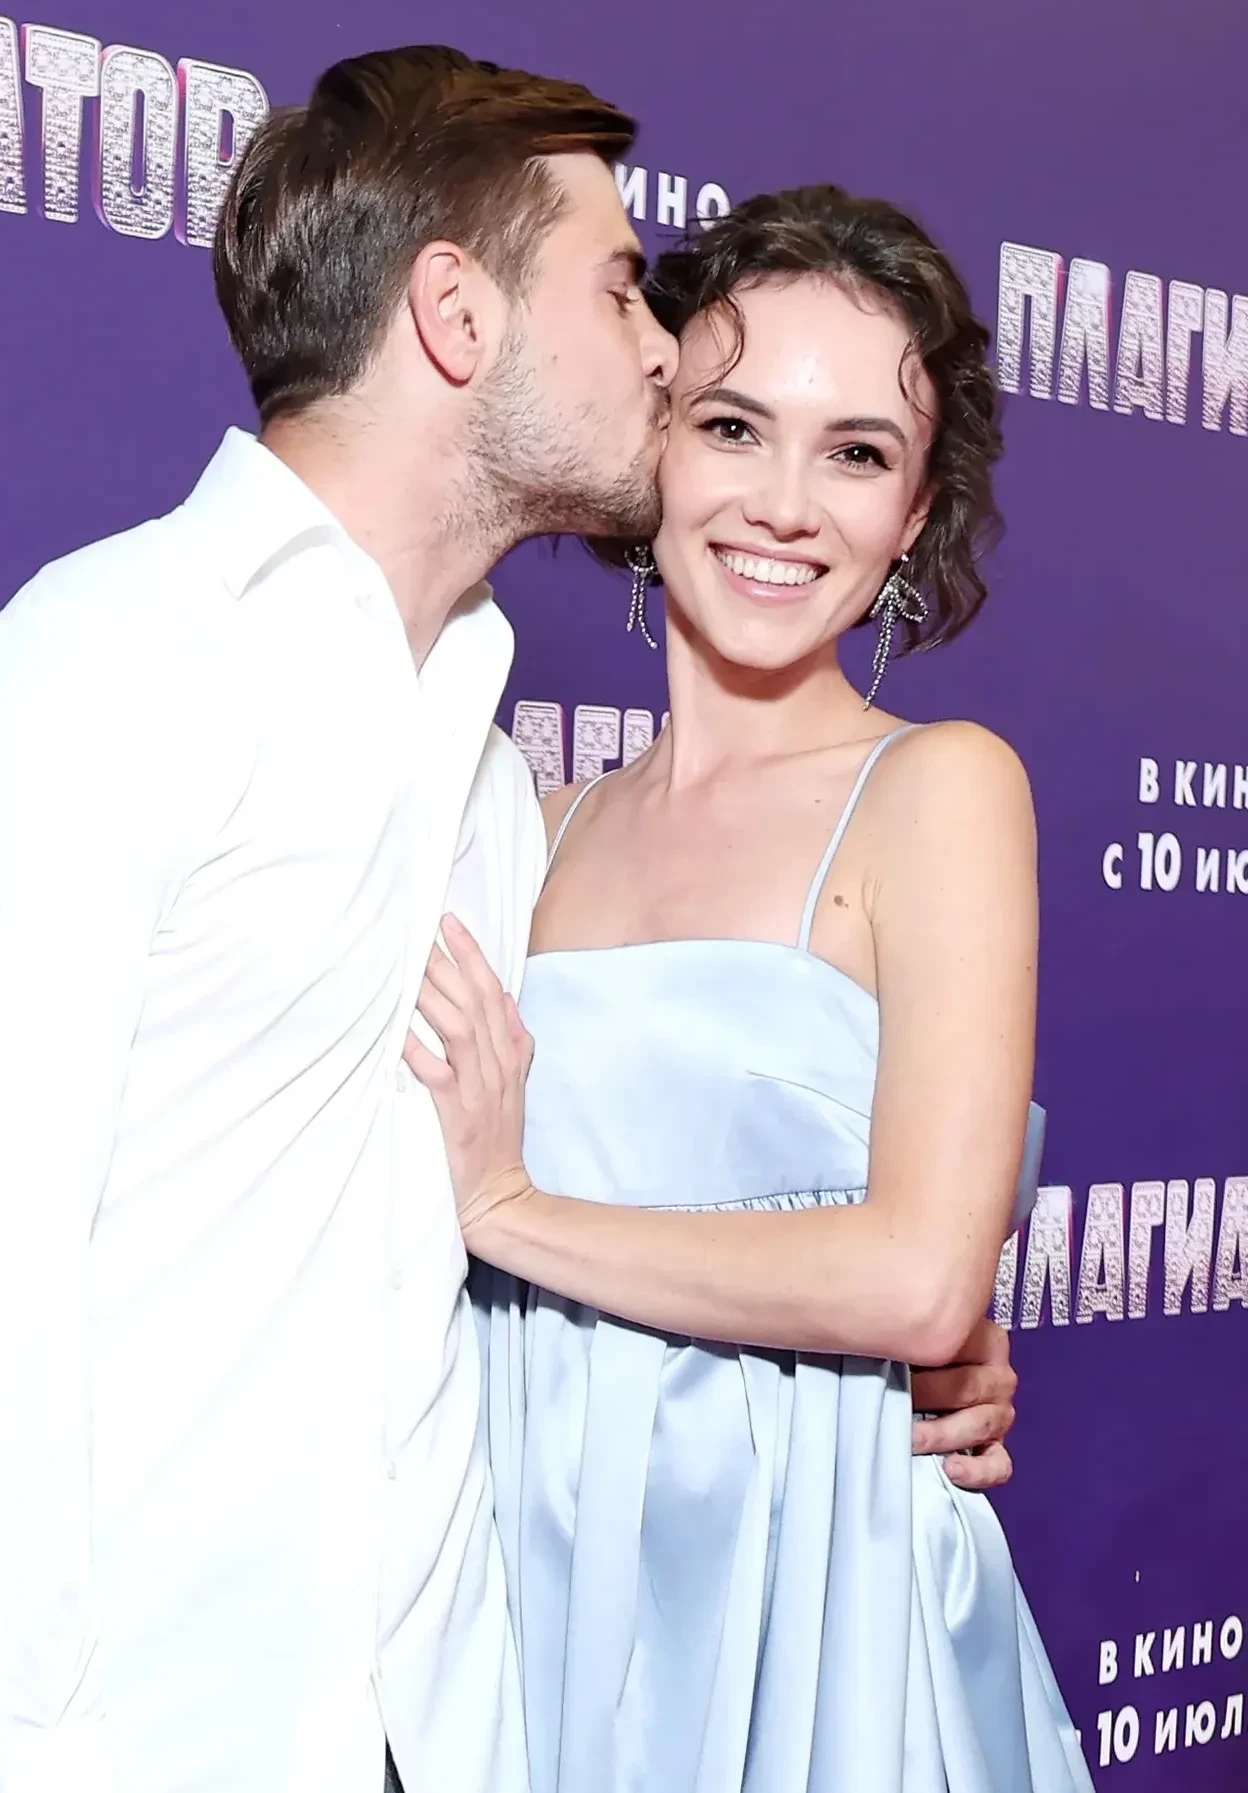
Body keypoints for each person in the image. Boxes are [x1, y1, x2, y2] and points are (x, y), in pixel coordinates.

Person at [0, 45, 1019, 1792]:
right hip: (129, 1733)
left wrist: (902, 1338)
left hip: (450, 1709)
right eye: (619, 291)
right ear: (458, 316)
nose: (658, 349)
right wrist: (21, 1752)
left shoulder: (481, 775)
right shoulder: (108, 672)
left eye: (856, 452)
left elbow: (582, 1184)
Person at [406, 187, 1094, 1793]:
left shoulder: (941, 790)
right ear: (652, 440)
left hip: (822, 1591)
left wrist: (506, 1211)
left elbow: (919, 1283)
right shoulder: (522, 823)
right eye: (733, 427)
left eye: (856, 453)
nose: (784, 506)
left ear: (913, 515)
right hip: (529, 1571)